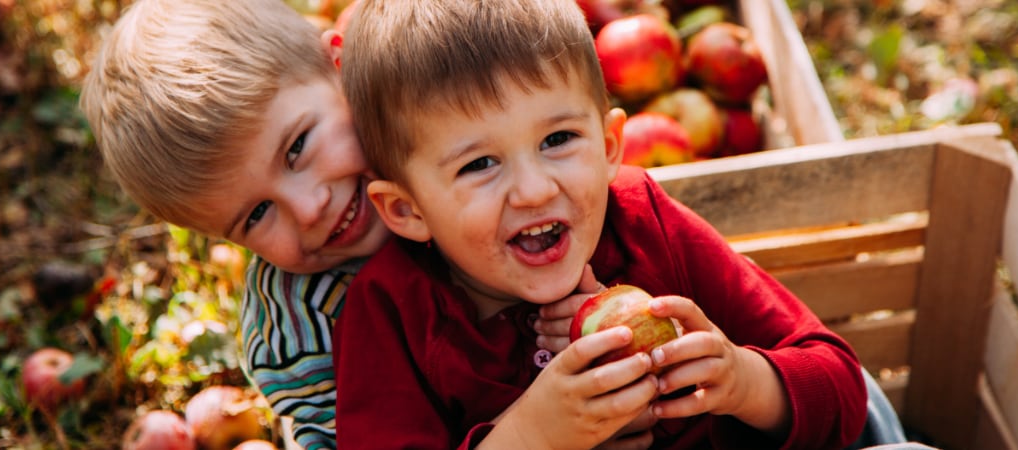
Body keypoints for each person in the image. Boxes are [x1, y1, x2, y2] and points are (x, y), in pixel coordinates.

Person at [330, 0, 868, 448]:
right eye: (478, 164)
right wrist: (531, 435)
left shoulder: (642, 221)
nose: (536, 189)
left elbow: (843, 388)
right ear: (408, 210)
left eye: (558, 140)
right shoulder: (393, 311)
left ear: (611, 146)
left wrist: (740, 380)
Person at [79, 1, 588, 448]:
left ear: (340, 68)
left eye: (297, 147)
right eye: (257, 215)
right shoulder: (304, 336)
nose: (309, 208)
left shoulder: (470, 129)